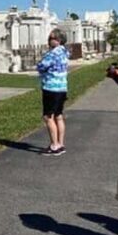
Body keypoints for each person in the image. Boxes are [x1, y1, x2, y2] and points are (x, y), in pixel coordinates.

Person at [36, 28, 69, 156]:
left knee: (48, 117)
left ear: (59, 40)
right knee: (58, 116)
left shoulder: (52, 54)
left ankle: (54, 146)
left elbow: (41, 66)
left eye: (52, 38)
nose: (49, 40)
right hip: (62, 87)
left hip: (51, 88)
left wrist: (40, 66)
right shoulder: (65, 52)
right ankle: (61, 143)